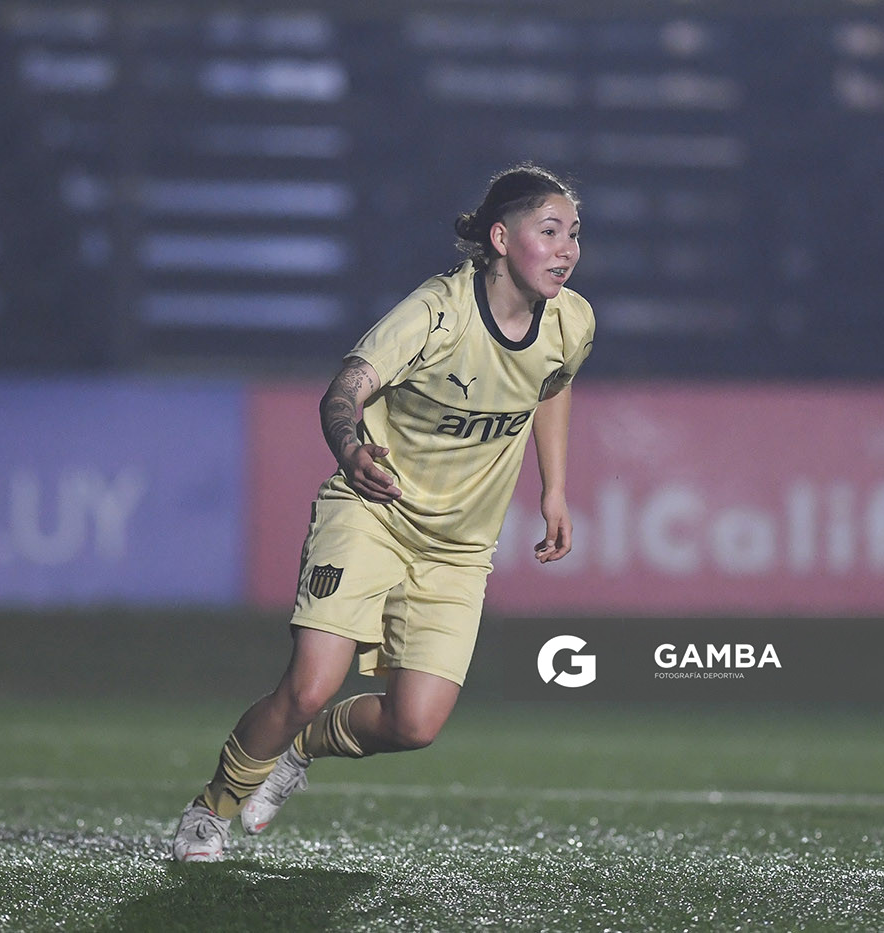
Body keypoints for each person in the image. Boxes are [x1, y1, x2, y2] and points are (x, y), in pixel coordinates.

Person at [172, 163, 595, 861]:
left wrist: (554, 488)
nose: (567, 250)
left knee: (414, 724)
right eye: (550, 232)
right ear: (500, 238)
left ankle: (297, 751)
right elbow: (346, 388)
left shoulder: (572, 320)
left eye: (574, 234)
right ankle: (211, 808)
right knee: (310, 686)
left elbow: (552, 384)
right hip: (373, 513)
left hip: (458, 548)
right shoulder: (437, 313)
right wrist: (350, 448)